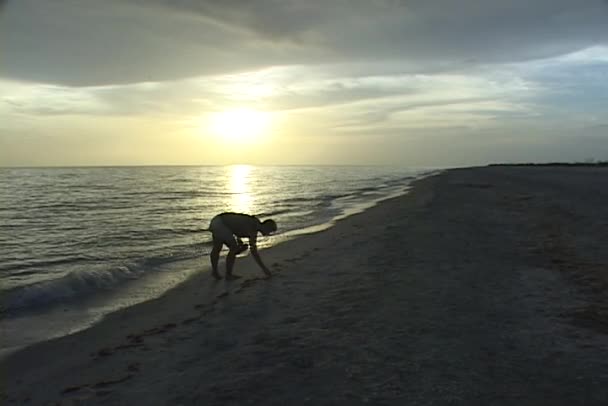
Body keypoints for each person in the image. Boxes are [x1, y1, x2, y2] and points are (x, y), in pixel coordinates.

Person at [208, 212, 277, 280]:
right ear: (267, 227)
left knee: (218, 248)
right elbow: (254, 252)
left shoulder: (254, 223)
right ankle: (228, 275)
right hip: (221, 224)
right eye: (269, 231)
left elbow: (237, 228)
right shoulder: (253, 227)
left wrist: (239, 243)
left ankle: (215, 272)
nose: (268, 234)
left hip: (217, 220)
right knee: (233, 248)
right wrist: (264, 269)